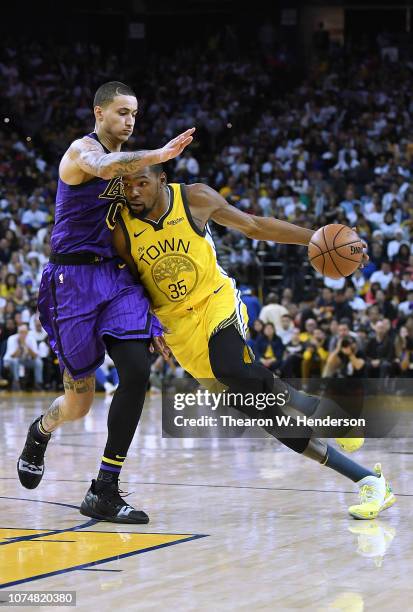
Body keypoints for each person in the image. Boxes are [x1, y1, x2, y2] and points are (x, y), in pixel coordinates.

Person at [113, 166, 396, 520]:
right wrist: (146, 325)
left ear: (161, 179)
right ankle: (370, 480)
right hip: (177, 328)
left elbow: (255, 226)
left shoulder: (193, 198)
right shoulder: (122, 230)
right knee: (269, 415)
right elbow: (130, 285)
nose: (134, 191)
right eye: (127, 185)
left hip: (215, 301)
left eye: (142, 182)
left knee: (231, 366)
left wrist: (319, 239)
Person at [17, 81, 195, 524]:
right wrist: (156, 155)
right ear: (99, 113)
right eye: (121, 112)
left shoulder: (133, 171)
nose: (129, 121)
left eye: (134, 113)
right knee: (79, 403)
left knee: (137, 370)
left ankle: (105, 488)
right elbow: (102, 167)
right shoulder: (82, 152)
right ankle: (41, 431)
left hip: (114, 277)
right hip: (70, 279)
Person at [4, 324, 43, 390]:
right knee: (15, 361)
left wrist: (26, 345)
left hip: (26, 360)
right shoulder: (12, 338)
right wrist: (20, 345)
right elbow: (13, 356)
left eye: (25, 332)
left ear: (27, 332)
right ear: (18, 332)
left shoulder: (31, 338)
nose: (23, 334)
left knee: (38, 362)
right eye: (21, 332)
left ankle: (38, 383)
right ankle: (16, 382)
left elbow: (35, 355)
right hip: (11, 361)